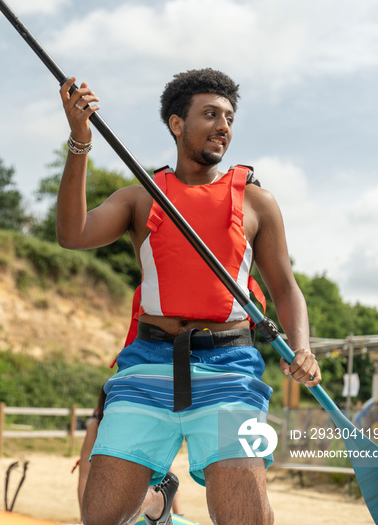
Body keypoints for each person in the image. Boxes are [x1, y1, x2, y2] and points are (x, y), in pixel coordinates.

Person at [56, 69, 322, 525]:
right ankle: (158, 513)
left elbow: (285, 289)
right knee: (99, 518)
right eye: (211, 114)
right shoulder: (141, 197)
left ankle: (161, 512)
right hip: (148, 365)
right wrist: (80, 142)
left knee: (248, 520)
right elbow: (72, 233)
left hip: (232, 372)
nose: (223, 126)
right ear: (178, 124)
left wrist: (302, 346)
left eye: (229, 118)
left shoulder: (258, 203)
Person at [77, 387, 185, 523]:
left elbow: (167, 476)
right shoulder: (96, 426)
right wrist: (84, 518)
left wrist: (179, 514)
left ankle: (155, 502)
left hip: (141, 499)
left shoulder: (143, 425)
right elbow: (84, 476)